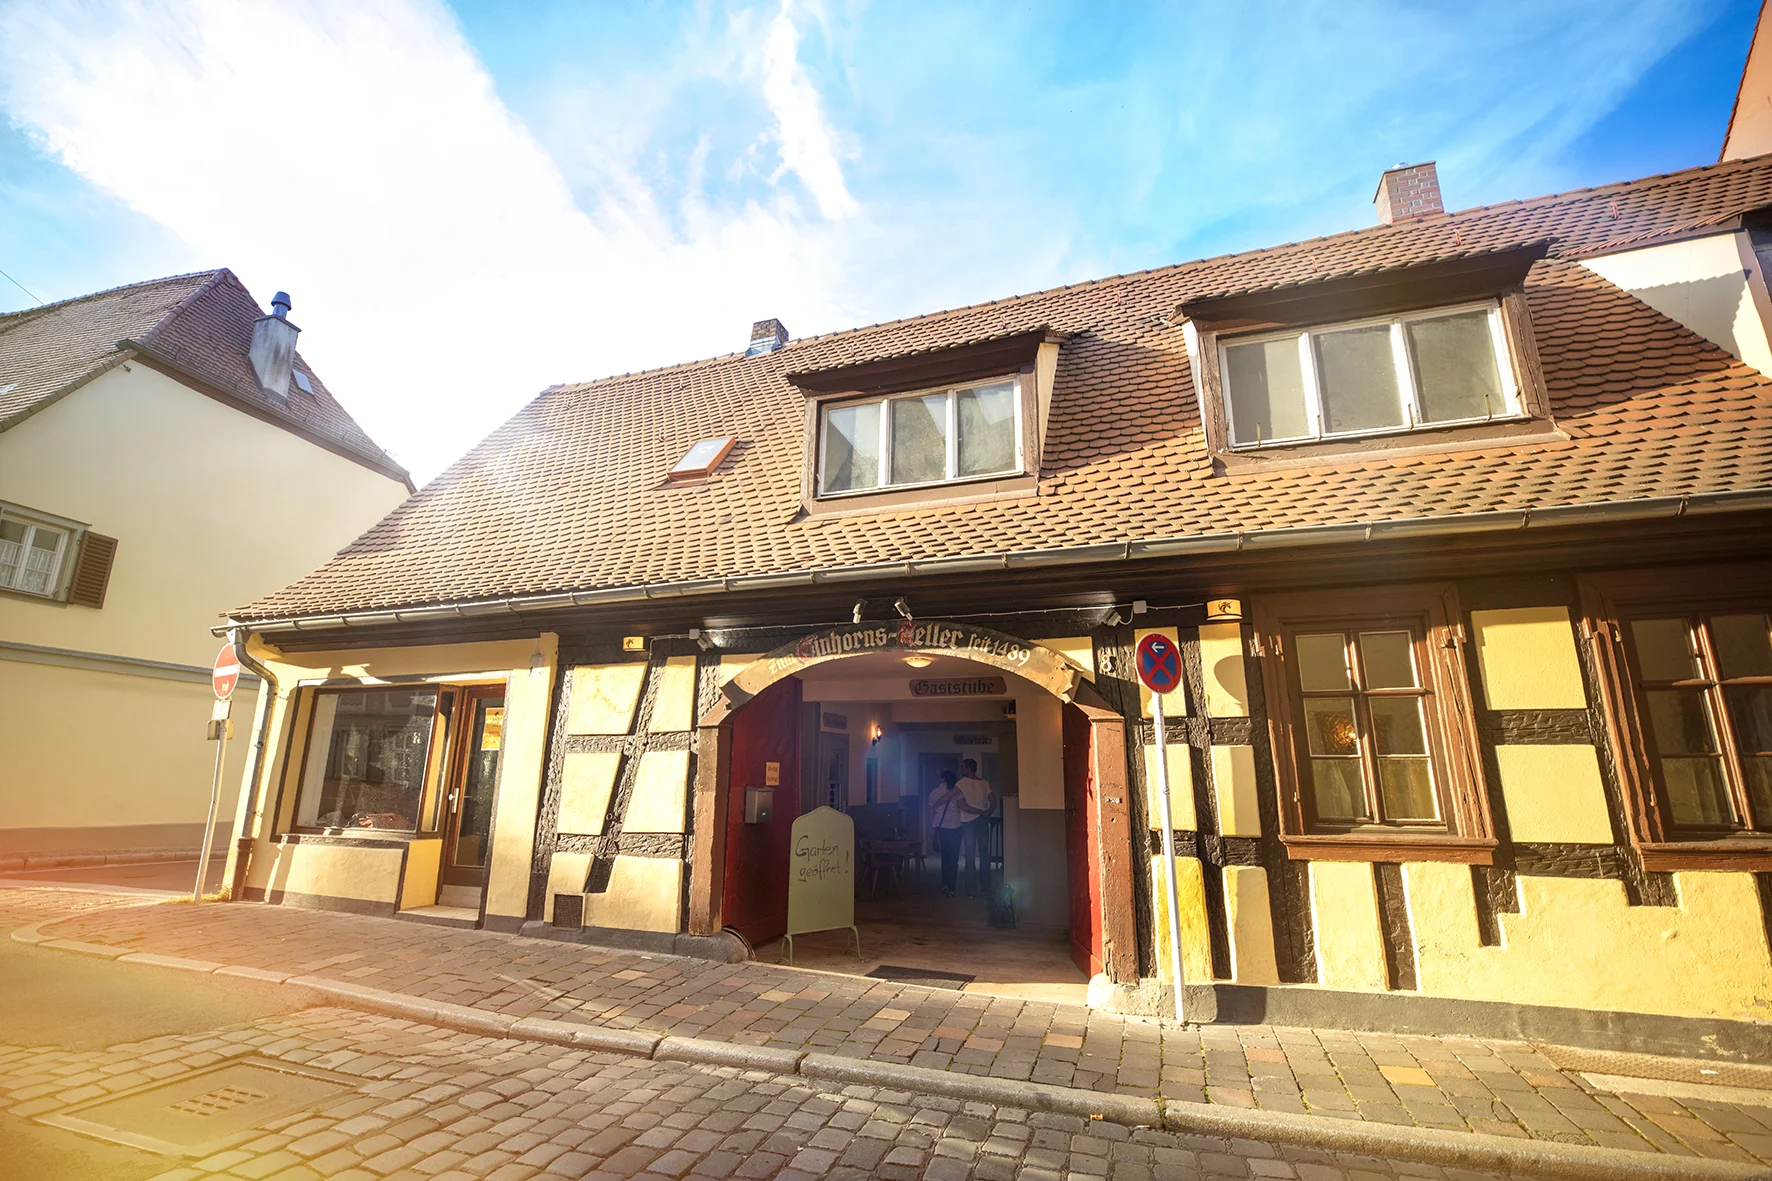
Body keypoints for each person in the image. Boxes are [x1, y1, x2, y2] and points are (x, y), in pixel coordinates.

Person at [955, 758, 997, 898]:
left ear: (968, 768)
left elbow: (962, 805)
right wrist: (986, 812)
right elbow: (993, 801)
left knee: (970, 855)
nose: (961, 769)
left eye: (963, 767)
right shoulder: (984, 783)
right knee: (984, 855)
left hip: (968, 822)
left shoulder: (961, 783)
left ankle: (971, 889)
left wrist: (977, 811)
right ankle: (985, 886)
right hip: (982, 821)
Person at [929, 770, 966, 898]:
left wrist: (933, 827)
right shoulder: (958, 793)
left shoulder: (934, 792)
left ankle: (945, 884)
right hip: (956, 827)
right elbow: (962, 807)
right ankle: (952, 887)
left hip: (941, 827)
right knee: (954, 858)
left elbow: (932, 811)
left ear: (943, 779)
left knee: (945, 857)